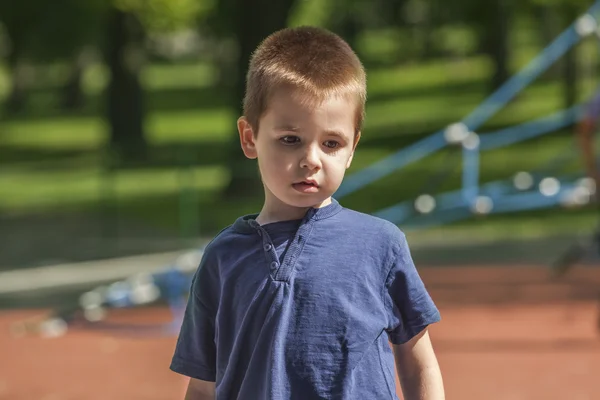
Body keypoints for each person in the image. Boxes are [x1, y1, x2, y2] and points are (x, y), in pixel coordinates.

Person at [170, 26, 445, 399]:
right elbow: (203, 386)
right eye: (290, 140)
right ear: (250, 138)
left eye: (331, 143)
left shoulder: (381, 244)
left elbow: (419, 361)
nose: (311, 160)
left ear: (352, 148)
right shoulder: (223, 257)